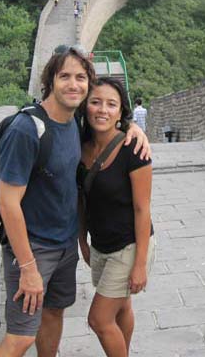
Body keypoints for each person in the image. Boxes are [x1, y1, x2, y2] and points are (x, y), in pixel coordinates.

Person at [0, 46, 150, 357]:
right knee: (21, 337)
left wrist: (133, 128)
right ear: (49, 79)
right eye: (64, 76)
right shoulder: (27, 129)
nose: (73, 84)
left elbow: (108, 123)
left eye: (80, 77)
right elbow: (7, 204)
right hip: (33, 249)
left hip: (64, 247)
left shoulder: (75, 123)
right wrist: (28, 268)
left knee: (53, 315)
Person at [78, 78, 154, 357]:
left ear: (121, 112)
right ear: (85, 106)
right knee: (121, 306)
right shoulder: (80, 146)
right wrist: (82, 241)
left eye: (112, 105)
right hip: (100, 244)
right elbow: (81, 200)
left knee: (98, 319)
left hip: (129, 246)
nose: (102, 110)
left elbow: (142, 209)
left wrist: (140, 265)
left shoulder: (134, 150)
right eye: (95, 102)